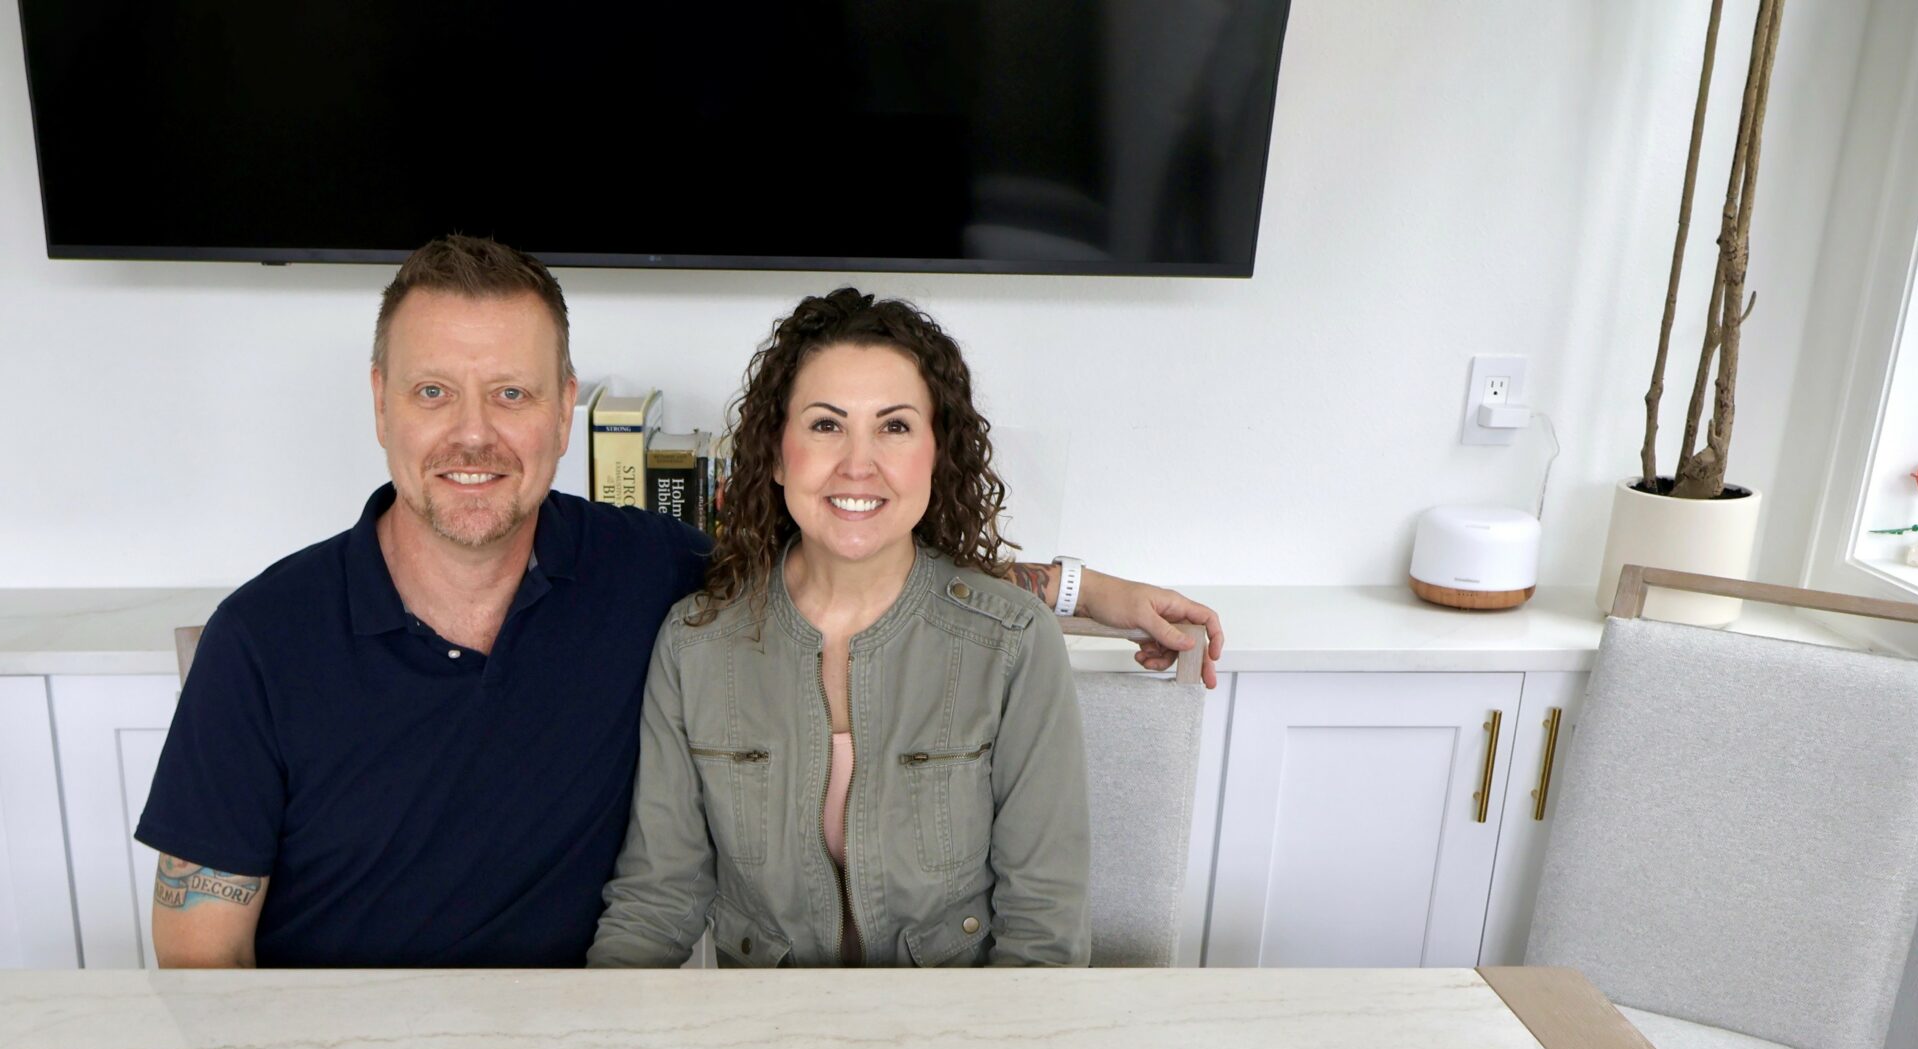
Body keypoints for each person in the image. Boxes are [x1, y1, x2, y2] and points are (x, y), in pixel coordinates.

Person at [137, 236, 1221, 968]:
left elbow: (854, 546)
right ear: (381, 403)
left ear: (564, 412)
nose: (474, 434)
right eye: (435, 393)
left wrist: (1092, 594)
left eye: (510, 393)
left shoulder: (646, 577)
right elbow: (199, 979)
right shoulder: (263, 641)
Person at [588, 289, 1082, 968]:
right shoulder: (693, 645)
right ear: (776, 452)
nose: (858, 463)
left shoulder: (1015, 645)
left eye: (895, 426)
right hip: (765, 1043)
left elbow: (1043, 934)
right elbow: (656, 901)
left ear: (937, 454)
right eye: (826, 425)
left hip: (956, 1044)